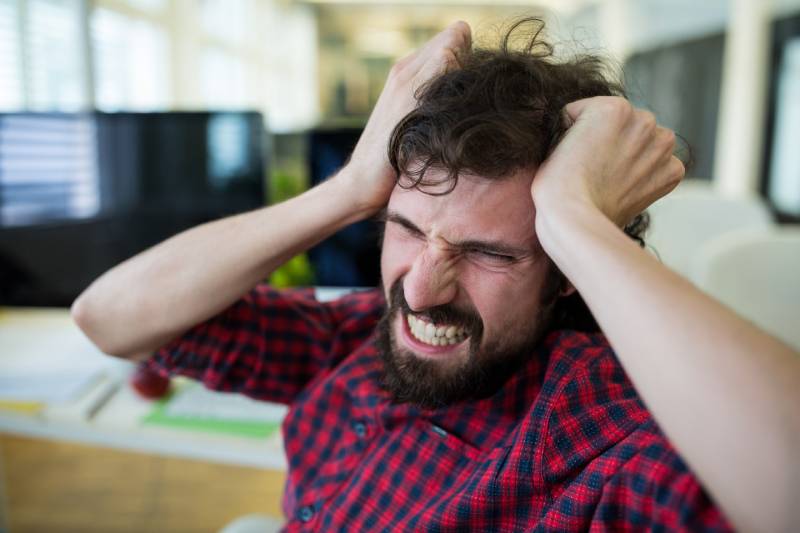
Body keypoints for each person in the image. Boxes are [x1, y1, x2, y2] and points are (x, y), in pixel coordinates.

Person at [72, 18, 800, 532]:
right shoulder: (359, 334)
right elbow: (110, 316)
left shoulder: (584, 420)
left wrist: (576, 219)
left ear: (569, 269)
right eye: (406, 228)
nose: (421, 289)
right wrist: (352, 187)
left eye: (491, 252)